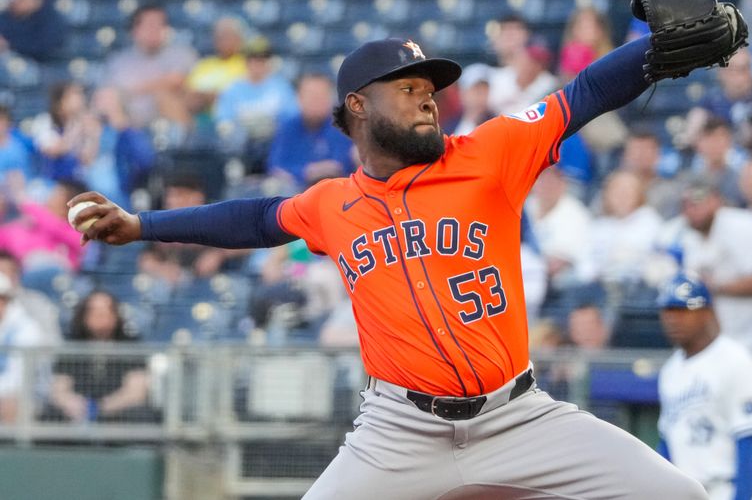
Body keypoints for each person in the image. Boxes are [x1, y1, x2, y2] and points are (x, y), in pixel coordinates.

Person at [71, 33, 714, 498]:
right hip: (398, 431)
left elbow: (585, 94)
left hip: (519, 415)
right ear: (358, 105)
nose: (427, 99)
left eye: (430, 90)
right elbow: (255, 219)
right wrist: (143, 225)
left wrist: (656, 49)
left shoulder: (488, 154)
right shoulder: (332, 204)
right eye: (407, 89)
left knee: (676, 496)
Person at [656, 273, 752, 499]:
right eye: (668, 311)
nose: (673, 319)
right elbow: (667, 444)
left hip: (737, 488)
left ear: (708, 313)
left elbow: (749, 442)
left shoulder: (737, 362)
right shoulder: (670, 370)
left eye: (683, 310)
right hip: (693, 491)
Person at [658, 178, 752, 356]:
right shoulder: (689, 237)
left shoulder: (742, 224)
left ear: (716, 199)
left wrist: (713, 286)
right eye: (685, 204)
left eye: (698, 201)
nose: (691, 209)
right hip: (721, 342)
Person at [44, 290, 155, 423]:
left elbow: (136, 392)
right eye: (94, 311)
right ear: (83, 316)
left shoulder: (131, 345)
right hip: (77, 413)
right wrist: (76, 405)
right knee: (51, 414)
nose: (101, 316)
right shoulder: (71, 346)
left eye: (107, 310)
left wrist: (101, 408)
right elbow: (59, 390)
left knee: (140, 415)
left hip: (118, 413)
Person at [102, 3, 197, 130]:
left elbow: (176, 81)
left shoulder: (181, 54)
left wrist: (133, 91)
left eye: (161, 25)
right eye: (150, 25)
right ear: (135, 30)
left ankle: (183, 146)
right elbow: (108, 93)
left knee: (164, 96)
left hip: (169, 122)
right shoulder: (119, 61)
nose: (155, 30)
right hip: (129, 122)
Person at [267, 72, 354, 190]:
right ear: (299, 98)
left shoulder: (344, 125)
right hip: (294, 195)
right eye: (311, 96)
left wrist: (315, 171)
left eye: (321, 96)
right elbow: (276, 166)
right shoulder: (288, 126)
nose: (316, 101)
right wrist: (306, 171)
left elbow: (342, 164)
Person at [0, 272, 44, 423]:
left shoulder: (26, 328)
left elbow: (18, 380)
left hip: (20, 396)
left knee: (10, 403)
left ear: (5, 300)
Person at [0, 0, 65, 62]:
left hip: (42, 65)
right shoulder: (7, 14)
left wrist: (10, 45)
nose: (15, 0)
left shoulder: (52, 19)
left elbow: (44, 48)